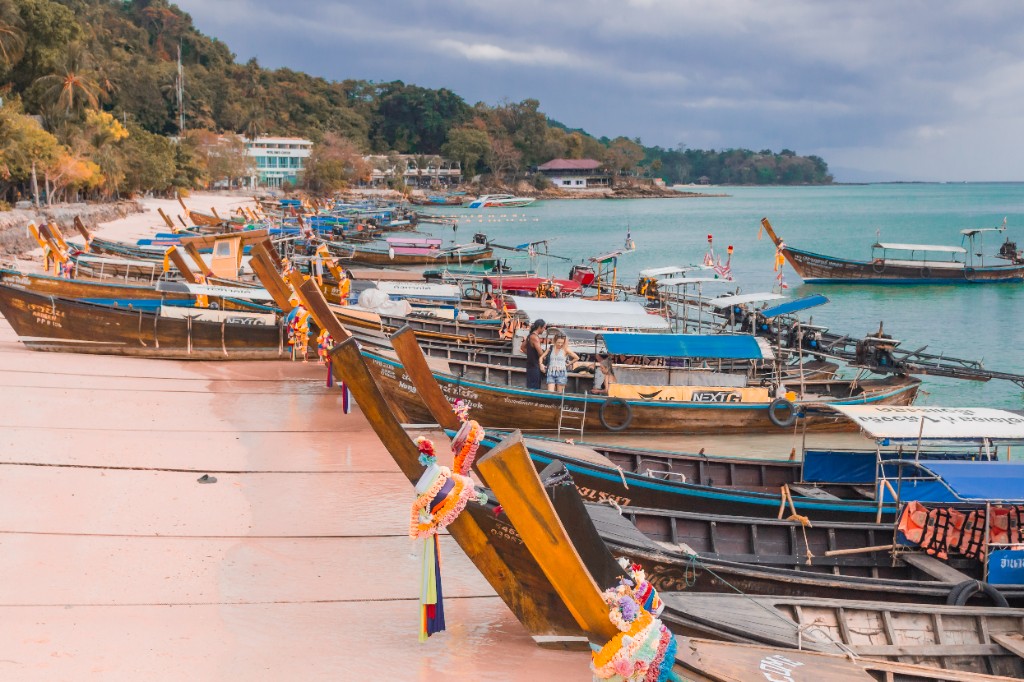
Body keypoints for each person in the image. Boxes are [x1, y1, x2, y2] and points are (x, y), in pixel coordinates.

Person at [522, 319, 547, 389]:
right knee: (534, 387)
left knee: (530, 385)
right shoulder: (535, 337)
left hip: (530, 365)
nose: (544, 330)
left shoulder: (530, 336)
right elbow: (541, 353)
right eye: (544, 328)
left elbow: (522, 347)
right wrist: (545, 357)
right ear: (539, 327)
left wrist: (531, 354)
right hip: (535, 366)